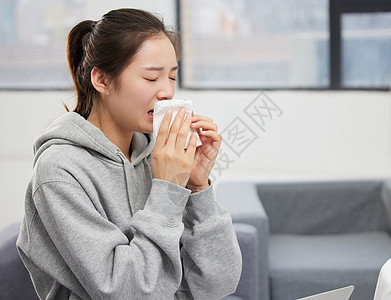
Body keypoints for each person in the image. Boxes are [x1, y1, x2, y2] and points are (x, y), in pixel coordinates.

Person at [16, 8, 242, 300]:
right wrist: (168, 190)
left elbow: (217, 284)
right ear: (102, 80)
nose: (166, 92)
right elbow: (128, 292)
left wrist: (197, 187)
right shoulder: (59, 171)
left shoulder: (157, 155)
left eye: (172, 77)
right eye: (151, 78)